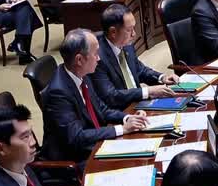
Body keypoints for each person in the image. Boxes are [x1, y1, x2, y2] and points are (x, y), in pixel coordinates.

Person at [40, 28, 148, 163]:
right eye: (95, 53)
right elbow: (76, 137)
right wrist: (121, 129)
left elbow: (101, 109)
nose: (99, 58)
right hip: (75, 157)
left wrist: (127, 117)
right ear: (79, 59)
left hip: (93, 141)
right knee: (134, 162)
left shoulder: (81, 73)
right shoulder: (58, 93)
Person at [90, 4, 178, 109]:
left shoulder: (127, 44)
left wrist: (162, 77)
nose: (134, 34)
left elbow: (140, 70)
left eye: (134, 28)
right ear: (113, 32)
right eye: (129, 30)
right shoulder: (97, 58)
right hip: (123, 112)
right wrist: (148, 91)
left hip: (140, 105)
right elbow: (111, 96)